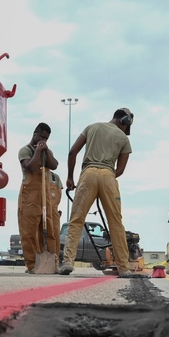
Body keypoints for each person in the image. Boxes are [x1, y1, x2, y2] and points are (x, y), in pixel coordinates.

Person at [60, 108, 138, 277]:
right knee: (115, 223)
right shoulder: (123, 138)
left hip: (87, 175)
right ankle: (123, 267)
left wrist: (70, 177)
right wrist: (106, 178)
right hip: (108, 176)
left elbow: (72, 152)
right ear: (124, 121)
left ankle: (67, 262)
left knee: (76, 220)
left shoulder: (92, 127)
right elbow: (121, 170)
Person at [17, 123, 59, 274]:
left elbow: (54, 165)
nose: (43, 140)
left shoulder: (46, 151)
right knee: (29, 231)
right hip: (30, 195)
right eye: (41, 136)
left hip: (45, 195)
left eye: (46, 138)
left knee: (49, 230)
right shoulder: (25, 150)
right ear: (35, 133)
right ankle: (32, 265)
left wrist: (45, 151)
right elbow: (30, 167)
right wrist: (38, 151)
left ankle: (52, 263)